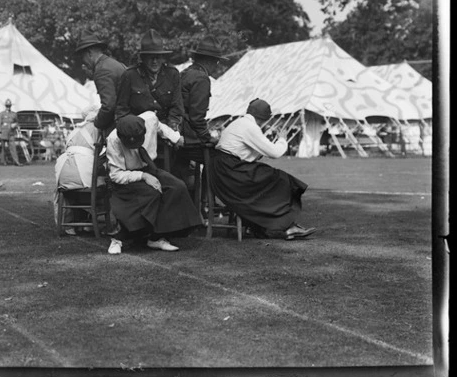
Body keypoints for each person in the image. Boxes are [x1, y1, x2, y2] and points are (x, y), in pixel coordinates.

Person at [210, 98, 317, 240]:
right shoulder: (250, 127)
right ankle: (287, 225)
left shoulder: (238, 123)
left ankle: (260, 226)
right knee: (279, 179)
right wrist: (282, 139)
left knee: (266, 175)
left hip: (223, 170)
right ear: (262, 118)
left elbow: (248, 152)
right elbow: (275, 153)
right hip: (230, 171)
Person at [105, 112, 203, 255]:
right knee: (150, 193)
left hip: (149, 167)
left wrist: (176, 138)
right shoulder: (113, 140)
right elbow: (116, 175)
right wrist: (143, 176)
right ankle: (117, 239)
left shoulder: (150, 119)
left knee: (177, 186)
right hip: (128, 174)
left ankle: (156, 237)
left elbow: (161, 127)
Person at [115, 30, 184, 168]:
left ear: (163, 58)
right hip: (138, 133)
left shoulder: (172, 74)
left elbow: (176, 108)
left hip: (165, 131)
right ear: (143, 58)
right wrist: (132, 132)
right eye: (150, 57)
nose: (154, 61)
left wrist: (173, 129)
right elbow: (121, 110)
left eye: (158, 57)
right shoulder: (130, 75)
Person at [171, 35, 226, 188]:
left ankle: (194, 201)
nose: (216, 66)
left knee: (181, 169)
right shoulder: (202, 79)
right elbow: (196, 117)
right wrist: (208, 137)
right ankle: (209, 200)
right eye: (217, 62)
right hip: (188, 138)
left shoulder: (185, 73)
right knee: (220, 158)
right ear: (211, 61)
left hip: (177, 134)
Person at [74, 32, 127, 135]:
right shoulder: (112, 64)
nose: (83, 62)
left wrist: (96, 123)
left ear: (89, 53)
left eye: (82, 57)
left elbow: (109, 107)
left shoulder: (101, 71)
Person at [0, 99, 28, 165]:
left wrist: (15, 125)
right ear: (5, 106)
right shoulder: (1, 114)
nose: (8, 107)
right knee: (3, 148)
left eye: (9, 106)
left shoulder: (14, 114)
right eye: (7, 106)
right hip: (3, 132)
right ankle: (3, 161)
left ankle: (16, 161)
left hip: (11, 133)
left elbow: (17, 122)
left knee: (13, 147)